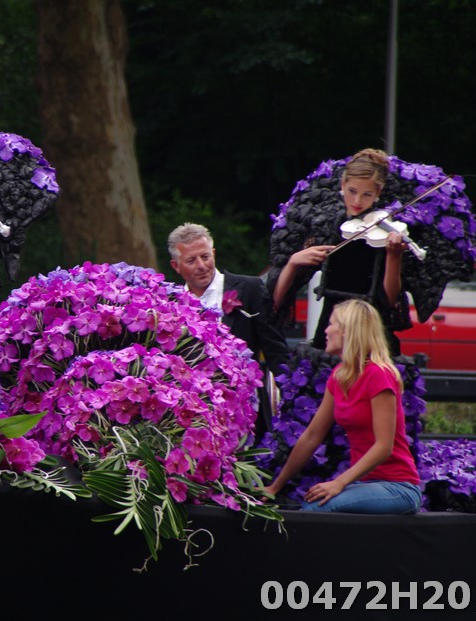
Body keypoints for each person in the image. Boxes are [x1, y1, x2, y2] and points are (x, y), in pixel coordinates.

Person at [264, 299, 421, 514]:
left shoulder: (379, 374)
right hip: (366, 484)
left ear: (347, 331)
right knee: (310, 502)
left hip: (398, 488)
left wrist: (339, 483)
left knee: (315, 508)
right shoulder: (339, 376)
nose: (326, 330)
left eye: (331, 324)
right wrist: (275, 487)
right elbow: (312, 436)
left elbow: (384, 447)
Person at [270, 148, 408, 355]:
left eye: (367, 194)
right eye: (352, 191)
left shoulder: (385, 232)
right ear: (342, 185)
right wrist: (293, 262)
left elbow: (389, 300)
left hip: (369, 332)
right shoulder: (327, 227)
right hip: (331, 330)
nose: (357, 201)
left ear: (378, 193)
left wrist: (393, 255)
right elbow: (276, 300)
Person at [168, 222, 290, 436]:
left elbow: (275, 351)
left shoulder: (249, 289)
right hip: (192, 419)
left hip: (246, 413)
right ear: (176, 266)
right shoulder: (170, 302)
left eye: (205, 257)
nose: (201, 265)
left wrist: (292, 397)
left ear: (214, 254)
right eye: (191, 260)